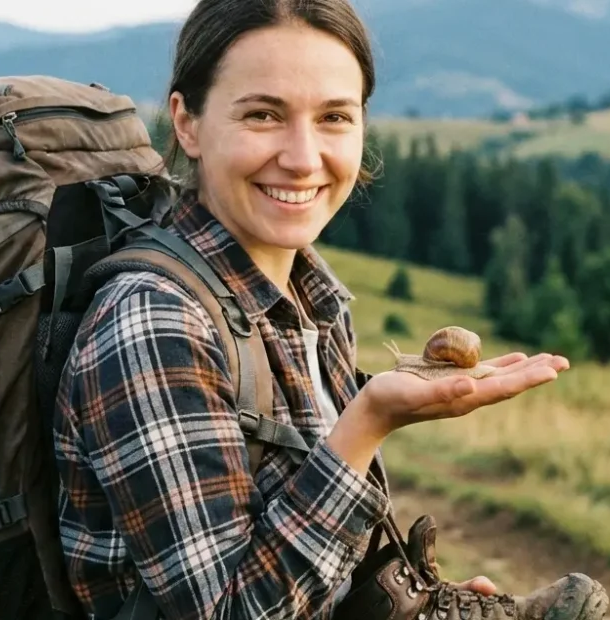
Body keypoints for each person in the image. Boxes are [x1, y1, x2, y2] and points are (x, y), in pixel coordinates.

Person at [51, 0, 572, 618]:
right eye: (264, 114)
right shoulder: (154, 321)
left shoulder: (307, 297)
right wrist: (366, 421)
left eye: (333, 118)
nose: (303, 157)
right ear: (187, 123)